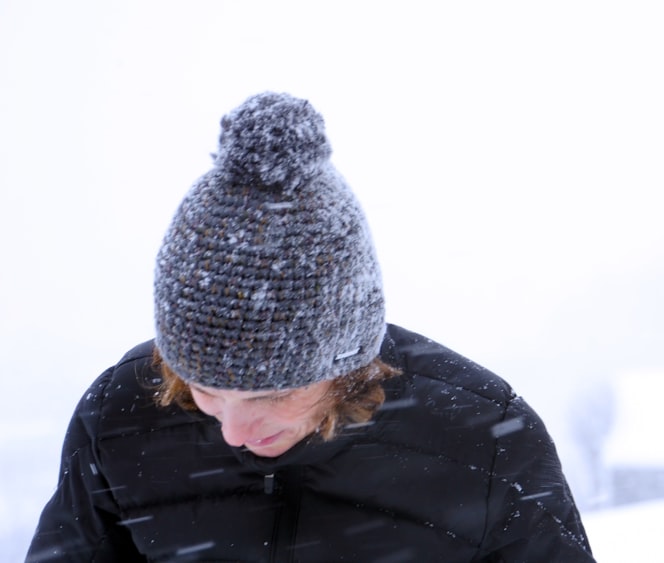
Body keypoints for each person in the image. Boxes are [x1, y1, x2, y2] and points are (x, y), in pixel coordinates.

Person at [27, 92, 595, 562]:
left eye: (275, 392)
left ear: (349, 361)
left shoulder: (485, 436)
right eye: (204, 389)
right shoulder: (119, 415)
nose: (233, 430)